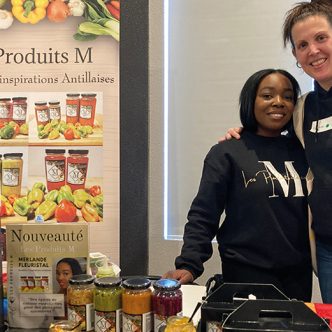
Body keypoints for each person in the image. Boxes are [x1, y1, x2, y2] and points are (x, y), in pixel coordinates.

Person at [163, 69, 313, 301]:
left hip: (298, 275)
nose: (279, 102)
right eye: (267, 95)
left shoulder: (304, 150)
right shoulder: (227, 152)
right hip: (246, 273)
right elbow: (204, 213)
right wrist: (189, 264)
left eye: (288, 97)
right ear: (250, 101)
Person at [222, 1, 332, 304]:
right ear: (296, 55)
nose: (313, 50)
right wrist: (241, 133)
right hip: (326, 247)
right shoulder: (303, 110)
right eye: (302, 44)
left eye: (321, 38)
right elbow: (270, 120)